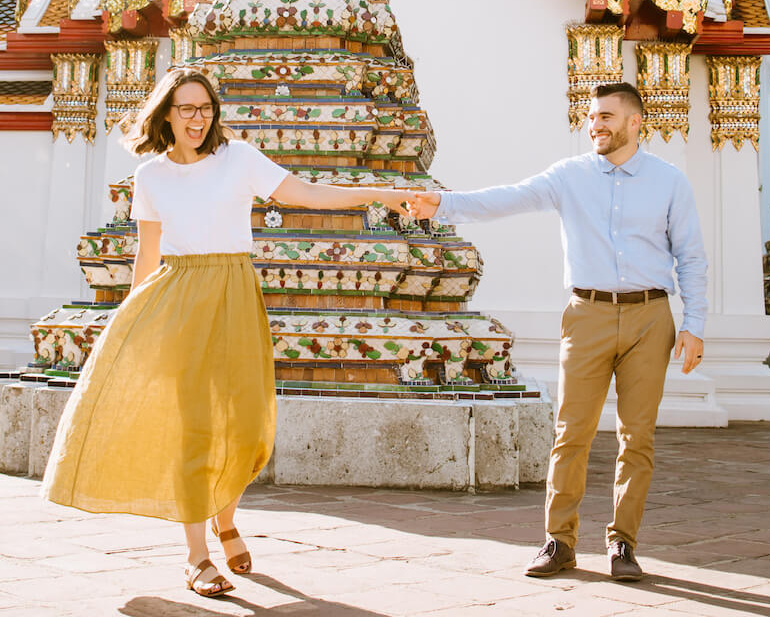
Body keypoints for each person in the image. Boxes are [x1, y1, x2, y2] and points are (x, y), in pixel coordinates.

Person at [42, 66, 411, 598]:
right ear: (166, 113)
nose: (198, 118)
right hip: (177, 299)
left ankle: (226, 516)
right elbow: (148, 255)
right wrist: (127, 326)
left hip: (235, 293)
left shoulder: (237, 159)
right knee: (192, 427)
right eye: (187, 108)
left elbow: (304, 193)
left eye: (206, 108)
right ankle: (197, 555)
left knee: (245, 424)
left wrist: (377, 194)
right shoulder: (151, 177)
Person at [408, 81, 707, 584]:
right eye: (592, 117)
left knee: (638, 438)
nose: (596, 125)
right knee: (572, 432)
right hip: (585, 313)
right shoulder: (569, 176)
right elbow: (508, 198)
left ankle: (623, 543)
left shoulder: (669, 181)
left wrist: (695, 326)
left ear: (635, 122)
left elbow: (692, 258)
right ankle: (559, 541)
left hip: (650, 317)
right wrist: (443, 204)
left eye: (607, 117)